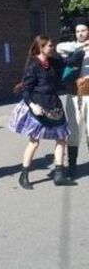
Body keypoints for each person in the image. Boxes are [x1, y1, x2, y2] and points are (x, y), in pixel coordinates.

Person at [9, 35, 85, 189]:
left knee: (62, 138)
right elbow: (26, 90)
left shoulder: (51, 61)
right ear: (41, 47)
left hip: (53, 104)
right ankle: (23, 176)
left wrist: (82, 48)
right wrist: (32, 106)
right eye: (50, 46)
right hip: (39, 106)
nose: (52, 47)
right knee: (34, 141)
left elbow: (68, 62)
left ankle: (59, 174)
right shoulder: (33, 65)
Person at [56, 18, 89, 179]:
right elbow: (58, 47)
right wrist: (81, 46)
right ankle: (73, 166)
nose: (80, 33)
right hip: (74, 94)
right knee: (74, 131)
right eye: (77, 31)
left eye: (83, 30)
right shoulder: (70, 47)